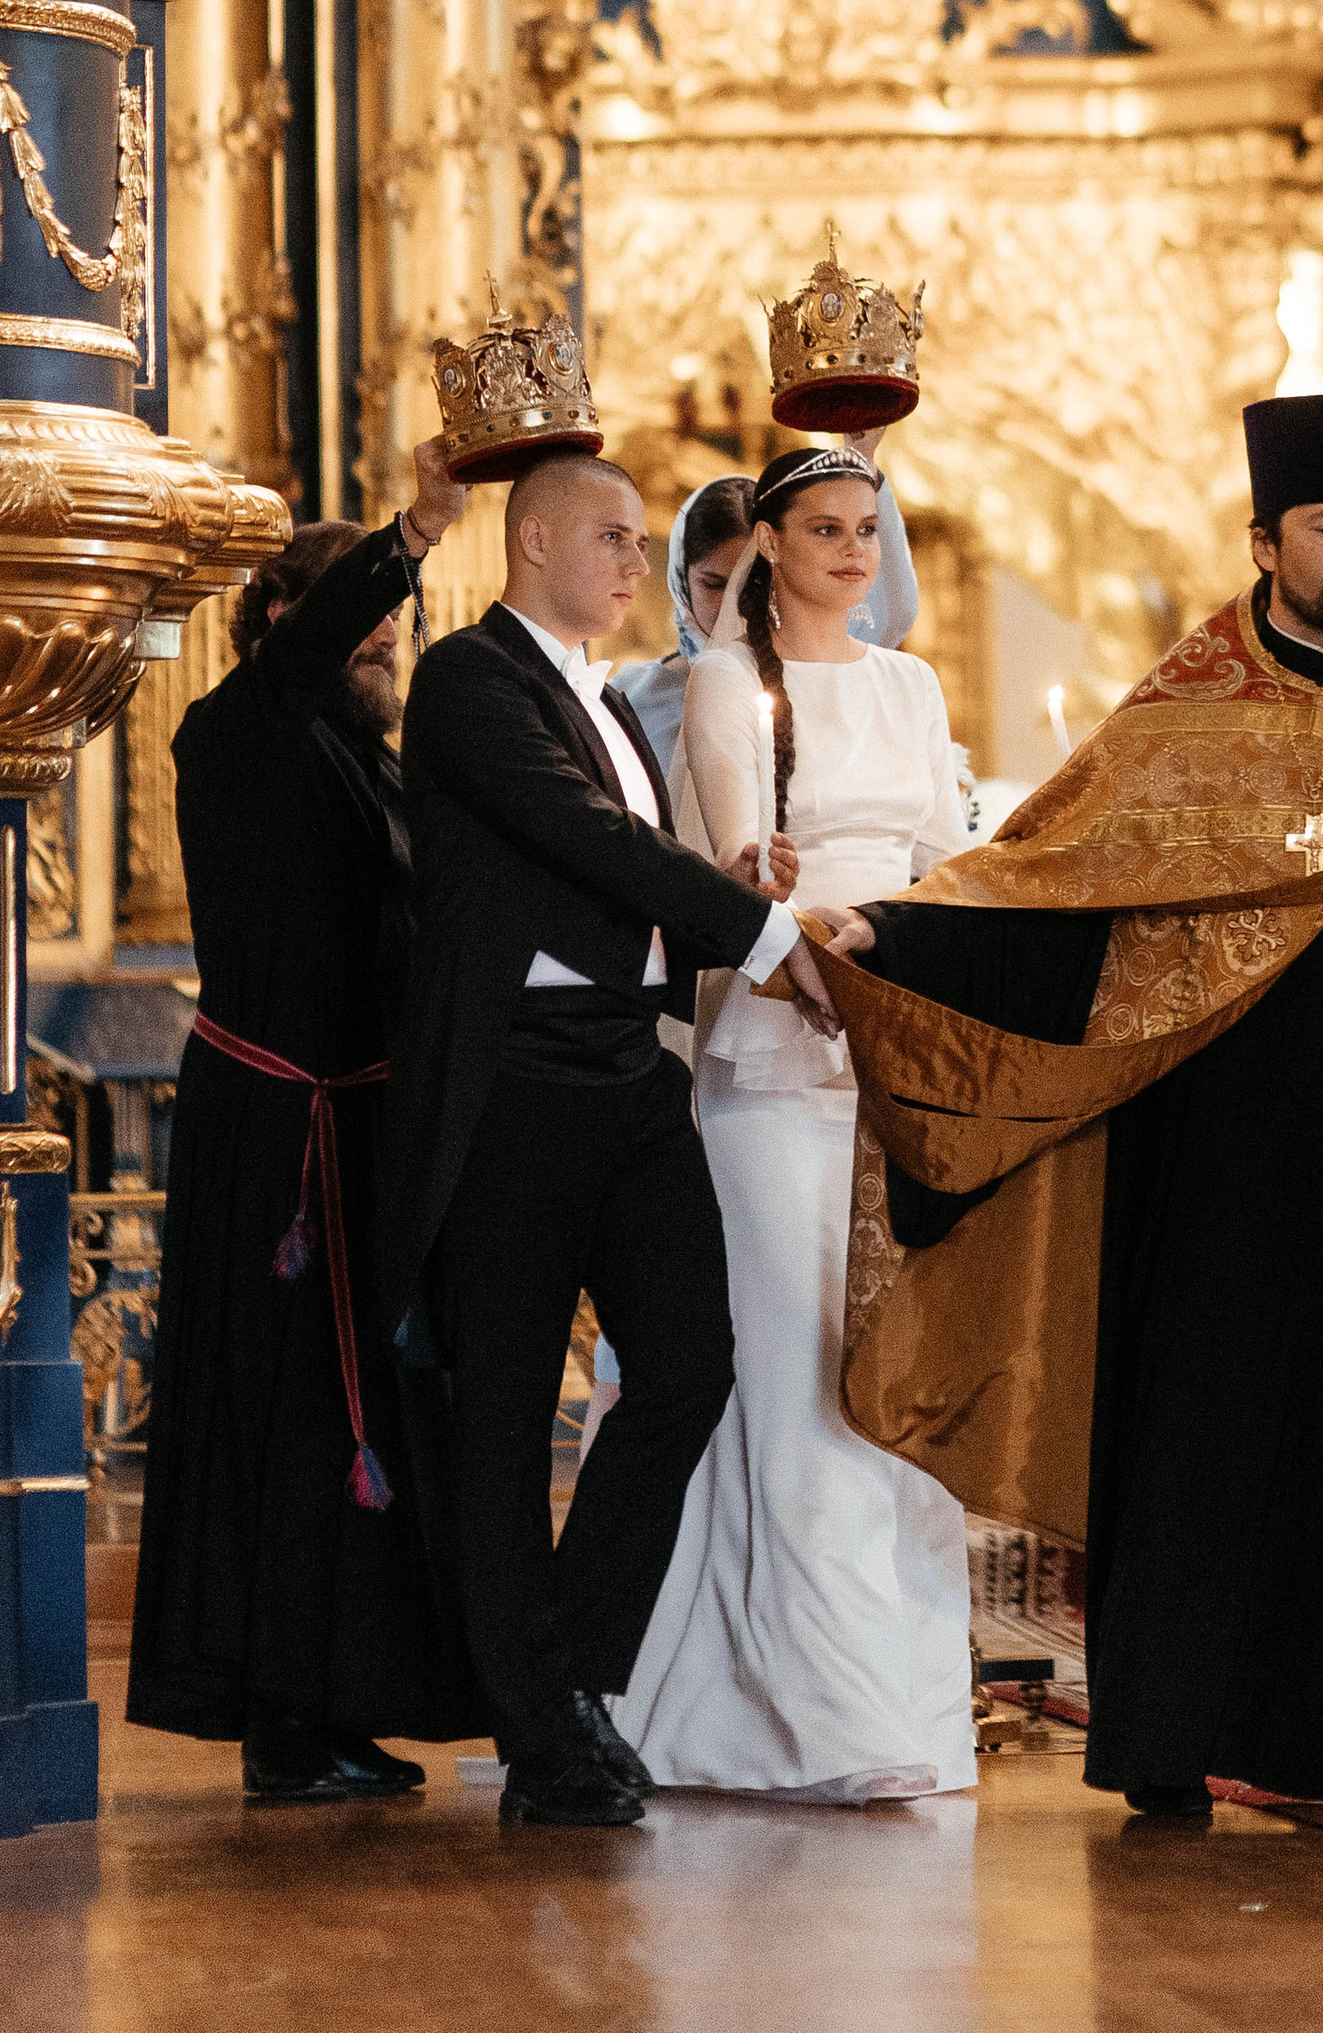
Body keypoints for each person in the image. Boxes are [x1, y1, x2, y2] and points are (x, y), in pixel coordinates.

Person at [808, 394, 1323, 1819]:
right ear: (1265, 541)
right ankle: (1181, 1735)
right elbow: (1054, 879)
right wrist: (896, 933)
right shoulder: (1185, 712)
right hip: (1227, 1144)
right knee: (1212, 1429)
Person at [380, 452, 837, 1829]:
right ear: (531, 542)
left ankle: (562, 1681)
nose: (644, 564)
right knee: (509, 1419)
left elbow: (629, 863)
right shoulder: (468, 681)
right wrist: (762, 935)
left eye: (646, 543)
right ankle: (548, 1736)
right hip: (513, 1087)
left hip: (630, 1076)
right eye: (618, 540)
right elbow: (580, 841)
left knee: (691, 1365)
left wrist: (731, 885)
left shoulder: (603, 701)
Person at [611, 445, 976, 1799]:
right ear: (766, 542)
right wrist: (784, 928)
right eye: (823, 529)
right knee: (799, 1376)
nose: (851, 553)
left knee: (898, 1379)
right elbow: (714, 873)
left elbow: (950, 861)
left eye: (866, 530)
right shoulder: (724, 683)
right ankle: (820, 1720)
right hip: (775, 1049)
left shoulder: (912, 683)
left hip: (895, 1043)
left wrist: (912, 974)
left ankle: (912, 1704)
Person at [128, 441, 481, 1801]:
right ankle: (281, 1716)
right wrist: (414, 530)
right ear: (284, 623)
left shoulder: (371, 767)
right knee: (286, 1427)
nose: (389, 641)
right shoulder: (241, 731)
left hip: (367, 1130)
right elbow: (315, 645)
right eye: (363, 618)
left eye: (400, 625)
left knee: (375, 1425)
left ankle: (346, 1698)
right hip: (279, 1143)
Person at [613, 464, 924, 796]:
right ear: (681, 582)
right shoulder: (635, 695)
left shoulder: (826, 679)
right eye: (715, 585)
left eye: (754, 582)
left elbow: (895, 609)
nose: (735, 604)